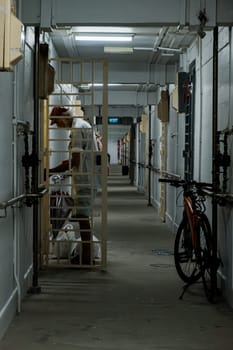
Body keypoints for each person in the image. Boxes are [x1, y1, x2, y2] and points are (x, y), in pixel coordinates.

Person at [49, 105, 100, 265]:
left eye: (57, 123)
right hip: (86, 178)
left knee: (83, 219)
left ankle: (86, 257)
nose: (58, 126)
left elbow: (75, 160)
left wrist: (51, 171)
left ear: (64, 117)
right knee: (82, 217)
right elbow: (77, 157)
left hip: (85, 180)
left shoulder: (77, 128)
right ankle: (86, 254)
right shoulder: (82, 125)